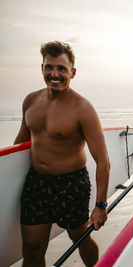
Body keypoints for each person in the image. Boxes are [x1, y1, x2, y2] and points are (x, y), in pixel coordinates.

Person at [14, 41, 110, 267]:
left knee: (80, 239)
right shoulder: (30, 101)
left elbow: (103, 161)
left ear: (72, 72)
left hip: (71, 183)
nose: (54, 74)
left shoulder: (83, 108)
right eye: (49, 67)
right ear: (42, 68)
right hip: (36, 183)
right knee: (32, 248)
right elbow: (20, 142)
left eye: (61, 69)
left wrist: (100, 205)